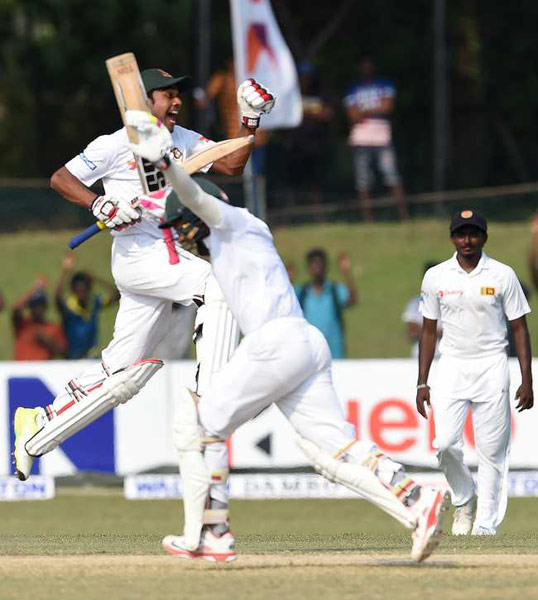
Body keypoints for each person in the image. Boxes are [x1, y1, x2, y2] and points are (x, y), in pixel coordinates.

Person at [126, 109, 450, 563]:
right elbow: (184, 211)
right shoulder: (232, 241)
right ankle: (416, 495)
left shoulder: (230, 220)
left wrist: (165, 163)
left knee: (204, 423)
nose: (180, 238)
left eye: (181, 229)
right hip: (305, 345)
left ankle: (215, 534)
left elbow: (193, 197)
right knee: (338, 444)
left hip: (275, 342)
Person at [13, 68, 275, 494]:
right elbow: (61, 178)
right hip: (138, 255)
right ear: (142, 101)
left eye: (178, 96)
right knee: (219, 285)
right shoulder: (114, 144)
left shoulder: (183, 139)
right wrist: (101, 203)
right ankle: (215, 398)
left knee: (120, 376)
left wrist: (249, 120)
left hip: (164, 257)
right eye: (167, 96)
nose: (176, 103)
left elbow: (229, 163)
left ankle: (39, 425)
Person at [416, 210, 533, 536]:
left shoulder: (502, 275)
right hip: (452, 364)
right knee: (444, 443)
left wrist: (527, 377)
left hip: (493, 364)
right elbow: (428, 331)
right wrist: (422, 381)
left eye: (473, 234)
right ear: (452, 238)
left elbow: (520, 328)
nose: (467, 240)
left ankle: (485, 525)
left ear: (484, 237)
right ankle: (464, 496)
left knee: (492, 451)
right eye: (461, 234)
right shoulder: (436, 277)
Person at [344, 57, 407, 222]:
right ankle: (367, 219)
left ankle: (402, 216)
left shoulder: (385, 84)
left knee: (391, 175)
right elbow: (352, 114)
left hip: (382, 136)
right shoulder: (353, 88)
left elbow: (387, 107)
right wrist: (375, 109)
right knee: (363, 180)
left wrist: (363, 112)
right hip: (360, 138)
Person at [55, 252, 120, 359]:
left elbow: (116, 296)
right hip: (72, 357)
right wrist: (65, 272)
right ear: (73, 290)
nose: (82, 292)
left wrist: (96, 279)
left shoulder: (94, 302)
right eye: (78, 289)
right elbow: (57, 297)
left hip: (91, 357)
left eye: (84, 289)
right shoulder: (69, 306)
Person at [295, 249, 357, 359]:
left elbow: (352, 301)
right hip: (309, 354)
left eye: (319, 264)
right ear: (308, 268)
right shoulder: (302, 293)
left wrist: (346, 273)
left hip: (334, 353)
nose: (316, 268)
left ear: (326, 267)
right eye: (313, 264)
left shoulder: (334, 290)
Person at [12, 277, 67, 361]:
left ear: (45, 307)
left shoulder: (53, 327)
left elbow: (63, 352)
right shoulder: (23, 324)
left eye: (40, 305)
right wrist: (34, 289)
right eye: (34, 305)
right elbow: (16, 309)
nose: (37, 309)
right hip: (20, 371)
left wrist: (48, 342)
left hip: (42, 371)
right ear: (29, 307)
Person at [402, 262, 442, 359]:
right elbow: (411, 331)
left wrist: (425, 330)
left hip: (445, 357)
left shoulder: (451, 301)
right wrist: (438, 332)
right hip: (420, 356)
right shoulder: (415, 303)